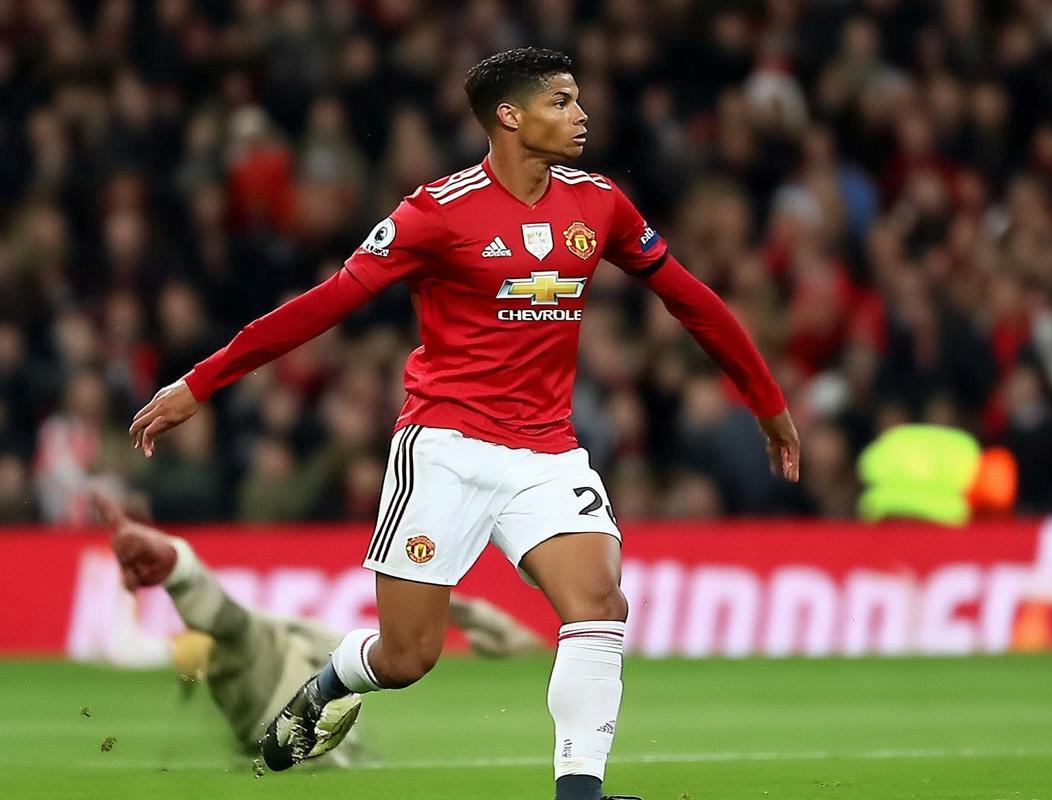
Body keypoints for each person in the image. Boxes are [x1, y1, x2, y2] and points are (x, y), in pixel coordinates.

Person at [129, 48, 799, 800]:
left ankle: (579, 794)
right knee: (408, 657)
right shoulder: (436, 212)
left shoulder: (601, 204)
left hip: (547, 452)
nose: (581, 116)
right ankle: (329, 685)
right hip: (447, 448)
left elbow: (690, 298)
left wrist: (766, 400)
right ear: (509, 116)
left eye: (578, 101)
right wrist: (202, 381)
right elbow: (325, 304)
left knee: (599, 605)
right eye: (562, 102)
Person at [92, 494, 544, 758]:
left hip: (296, 699)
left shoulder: (330, 621)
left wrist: (488, 624)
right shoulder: (235, 646)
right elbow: (225, 626)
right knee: (244, 635)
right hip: (273, 702)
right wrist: (179, 569)